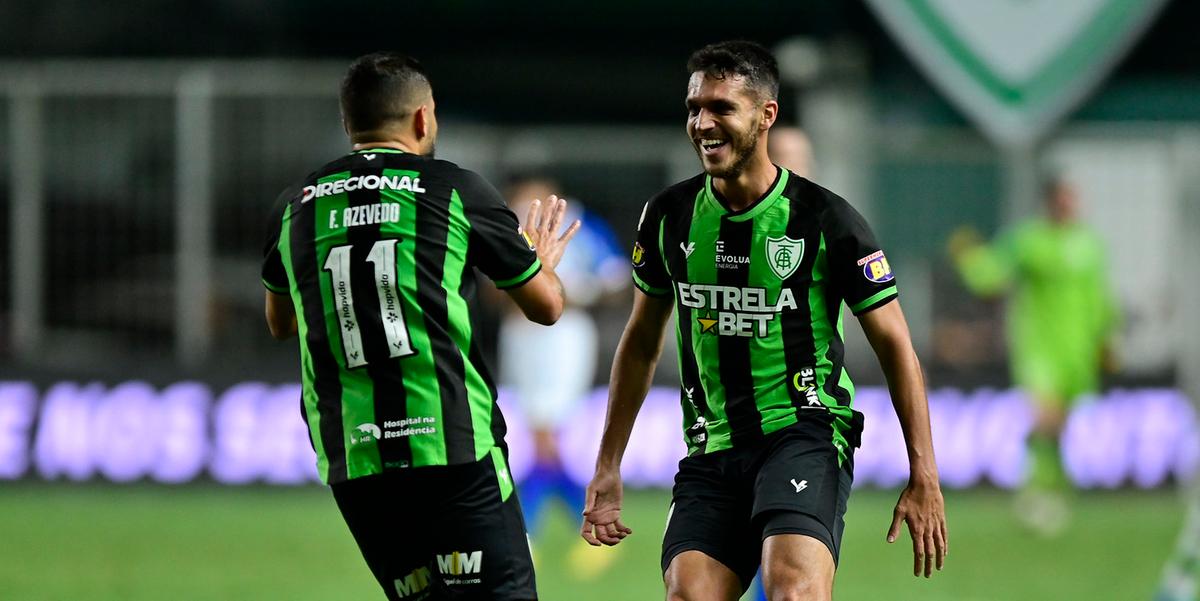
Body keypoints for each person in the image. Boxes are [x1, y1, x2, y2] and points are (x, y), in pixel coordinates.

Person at [579, 40, 948, 601]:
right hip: (712, 445)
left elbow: (896, 344)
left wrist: (924, 473)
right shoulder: (668, 216)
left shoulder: (826, 219)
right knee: (687, 596)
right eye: (695, 107)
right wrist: (608, 466)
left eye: (722, 108)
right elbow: (638, 344)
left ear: (765, 115)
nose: (703, 122)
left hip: (802, 431)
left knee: (793, 591)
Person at [260, 52, 579, 601]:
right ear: (423, 119)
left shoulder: (295, 207)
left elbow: (280, 322)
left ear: (348, 124)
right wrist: (541, 261)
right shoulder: (455, 191)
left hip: (355, 459)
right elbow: (546, 308)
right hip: (451, 447)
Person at [949, 176, 1119, 535]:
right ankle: (1036, 493)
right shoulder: (1028, 240)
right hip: (1038, 348)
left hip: (1078, 351)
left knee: (1059, 427)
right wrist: (969, 256)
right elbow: (989, 278)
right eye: (1064, 199)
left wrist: (1106, 339)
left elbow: (1100, 296)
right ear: (1050, 203)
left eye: (1074, 199)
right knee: (1046, 416)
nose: (1070, 206)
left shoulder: (1089, 244)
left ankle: (1055, 492)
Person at [497, 176, 626, 575]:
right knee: (541, 441)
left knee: (545, 440)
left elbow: (618, 278)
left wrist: (574, 292)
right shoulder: (507, 226)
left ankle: (528, 534)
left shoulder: (581, 226)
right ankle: (589, 527)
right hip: (520, 335)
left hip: (564, 337)